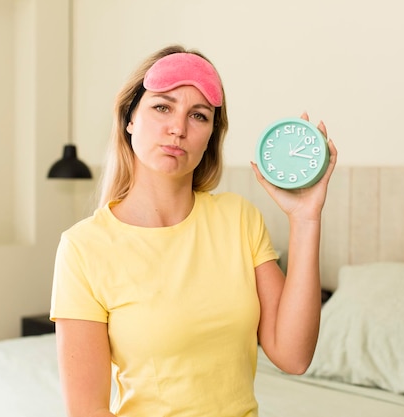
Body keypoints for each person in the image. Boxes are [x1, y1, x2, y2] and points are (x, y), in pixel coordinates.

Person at [50, 44, 337, 417]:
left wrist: (305, 220)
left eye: (198, 116)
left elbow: (293, 356)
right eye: (162, 107)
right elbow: (87, 411)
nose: (178, 129)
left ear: (210, 136)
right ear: (129, 119)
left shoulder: (239, 219)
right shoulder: (83, 248)